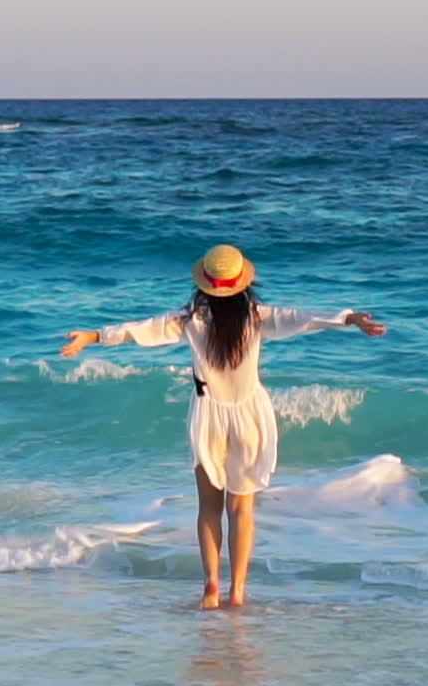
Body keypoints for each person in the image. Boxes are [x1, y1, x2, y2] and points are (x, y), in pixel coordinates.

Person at [61, 244, 385, 609]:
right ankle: (238, 592)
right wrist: (350, 318)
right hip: (250, 416)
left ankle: (211, 586)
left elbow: (143, 330)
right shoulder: (258, 316)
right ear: (243, 283)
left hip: (207, 416)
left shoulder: (191, 319)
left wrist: (93, 336)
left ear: (205, 285)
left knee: (209, 508)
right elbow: (304, 318)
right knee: (241, 510)